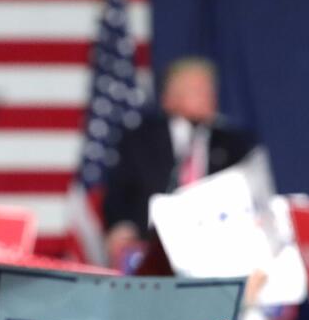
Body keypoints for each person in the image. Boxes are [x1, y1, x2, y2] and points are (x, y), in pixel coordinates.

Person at [103, 57, 259, 263]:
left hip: (215, 251)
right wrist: (122, 227)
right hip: (151, 249)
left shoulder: (234, 144)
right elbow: (118, 196)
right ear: (169, 98)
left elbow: (250, 197)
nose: (207, 96)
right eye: (196, 90)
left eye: (209, 90)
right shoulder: (140, 140)